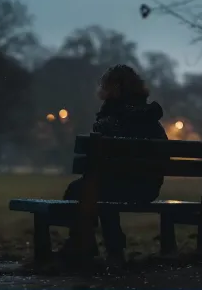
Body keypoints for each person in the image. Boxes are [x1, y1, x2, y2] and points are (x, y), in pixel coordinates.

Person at [61, 64, 168, 265]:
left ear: (113, 88)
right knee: (96, 189)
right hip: (149, 189)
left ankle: (83, 243)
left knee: (83, 189)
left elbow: (94, 163)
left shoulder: (110, 119)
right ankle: (105, 247)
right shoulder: (152, 119)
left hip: (118, 187)